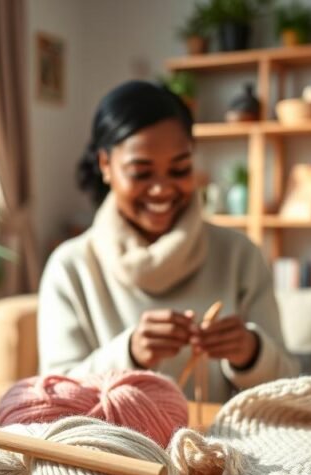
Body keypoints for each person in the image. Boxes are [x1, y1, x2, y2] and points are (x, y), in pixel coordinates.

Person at [38, 80, 297, 402]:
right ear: (106, 165)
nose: (161, 189)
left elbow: (292, 387)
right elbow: (54, 397)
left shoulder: (239, 255)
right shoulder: (71, 267)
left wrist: (252, 353)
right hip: (107, 451)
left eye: (179, 169)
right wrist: (129, 353)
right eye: (141, 173)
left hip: (218, 448)